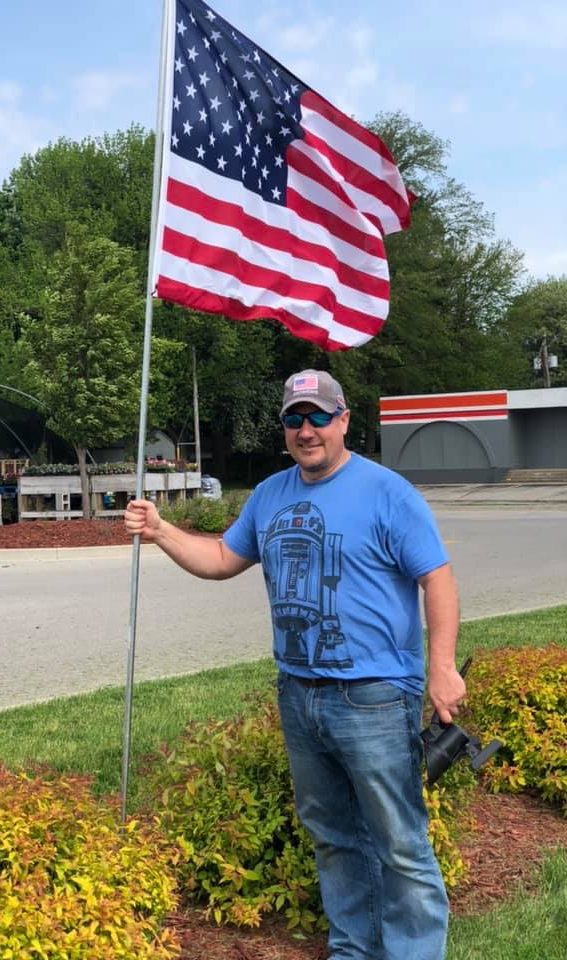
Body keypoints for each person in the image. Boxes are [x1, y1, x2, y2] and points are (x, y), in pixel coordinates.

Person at [125, 368, 465, 960]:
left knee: (400, 843)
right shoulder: (270, 494)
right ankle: (353, 950)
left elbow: (436, 578)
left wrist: (442, 666)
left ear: (343, 420)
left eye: (318, 417)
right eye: (294, 419)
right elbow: (223, 557)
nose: (306, 430)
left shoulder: (388, 493)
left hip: (375, 694)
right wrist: (160, 530)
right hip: (300, 693)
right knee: (333, 837)